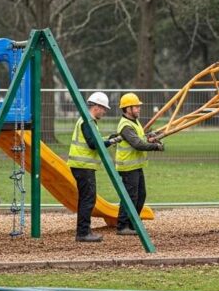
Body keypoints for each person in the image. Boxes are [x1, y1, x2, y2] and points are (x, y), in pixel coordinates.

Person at [67, 91, 121, 242]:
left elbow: (94, 139)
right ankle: (83, 233)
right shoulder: (87, 121)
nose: (104, 112)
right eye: (103, 108)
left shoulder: (87, 121)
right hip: (83, 165)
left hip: (82, 165)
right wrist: (110, 142)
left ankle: (83, 231)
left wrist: (108, 138)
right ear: (96, 107)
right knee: (88, 199)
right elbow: (92, 144)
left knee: (87, 198)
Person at [114, 92, 164, 236]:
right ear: (127, 109)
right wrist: (156, 147)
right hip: (127, 166)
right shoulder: (125, 126)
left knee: (141, 195)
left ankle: (132, 223)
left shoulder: (134, 122)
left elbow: (140, 139)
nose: (138, 109)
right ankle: (122, 226)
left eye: (138, 106)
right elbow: (137, 144)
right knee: (130, 196)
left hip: (135, 165)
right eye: (135, 107)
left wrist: (150, 138)